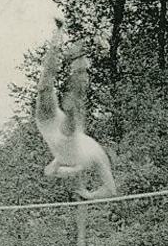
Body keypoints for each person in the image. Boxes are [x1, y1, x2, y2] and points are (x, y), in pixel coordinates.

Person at [35, 19, 116, 200]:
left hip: (64, 140)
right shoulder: (93, 154)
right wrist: (88, 194)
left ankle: (71, 52)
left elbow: (111, 190)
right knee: (44, 88)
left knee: (67, 118)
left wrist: (88, 194)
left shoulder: (94, 156)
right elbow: (110, 189)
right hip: (58, 133)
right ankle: (60, 38)